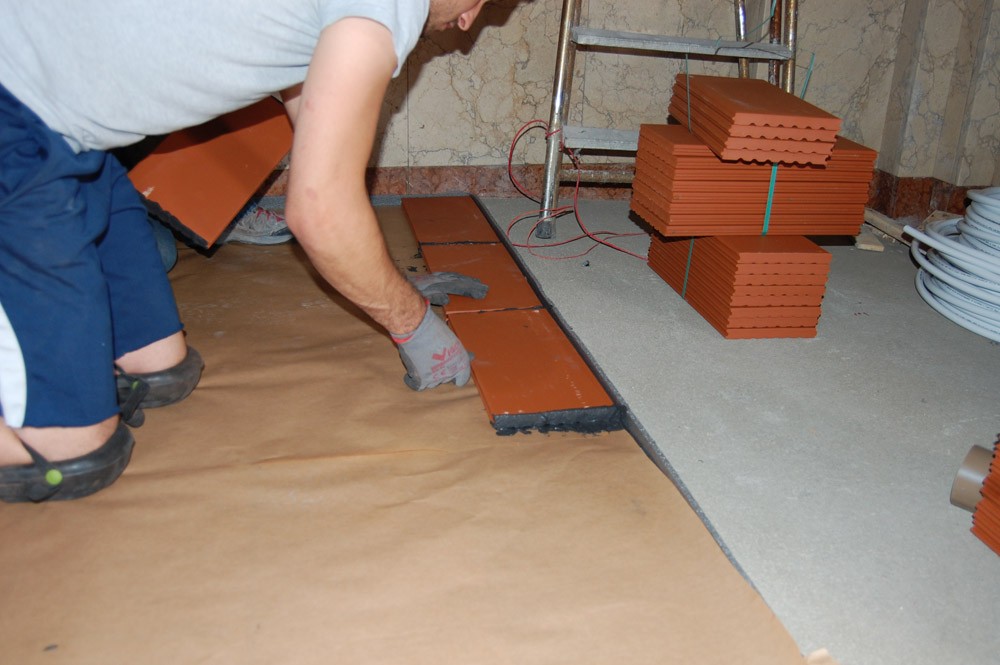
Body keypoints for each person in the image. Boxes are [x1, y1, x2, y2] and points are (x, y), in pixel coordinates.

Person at [0, 0, 492, 503]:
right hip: (15, 107)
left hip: (77, 135)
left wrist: (386, 281)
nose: (468, 19)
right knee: (75, 457)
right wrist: (411, 321)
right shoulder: (390, 5)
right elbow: (320, 212)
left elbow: (327, 161)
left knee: (162, 369)